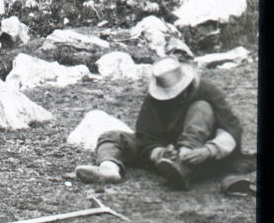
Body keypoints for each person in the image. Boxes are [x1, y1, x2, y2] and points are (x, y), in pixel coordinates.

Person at [75, 57, 253, 190]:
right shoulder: (154, 99)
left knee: (202, 108)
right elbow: (145, 135)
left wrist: (208, 150)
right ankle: (108, 169)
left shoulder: (207, 92)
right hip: (166, 151)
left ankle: (184, 168)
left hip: (200, 151)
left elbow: (232, 128)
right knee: (112, 136)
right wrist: (159, 152)